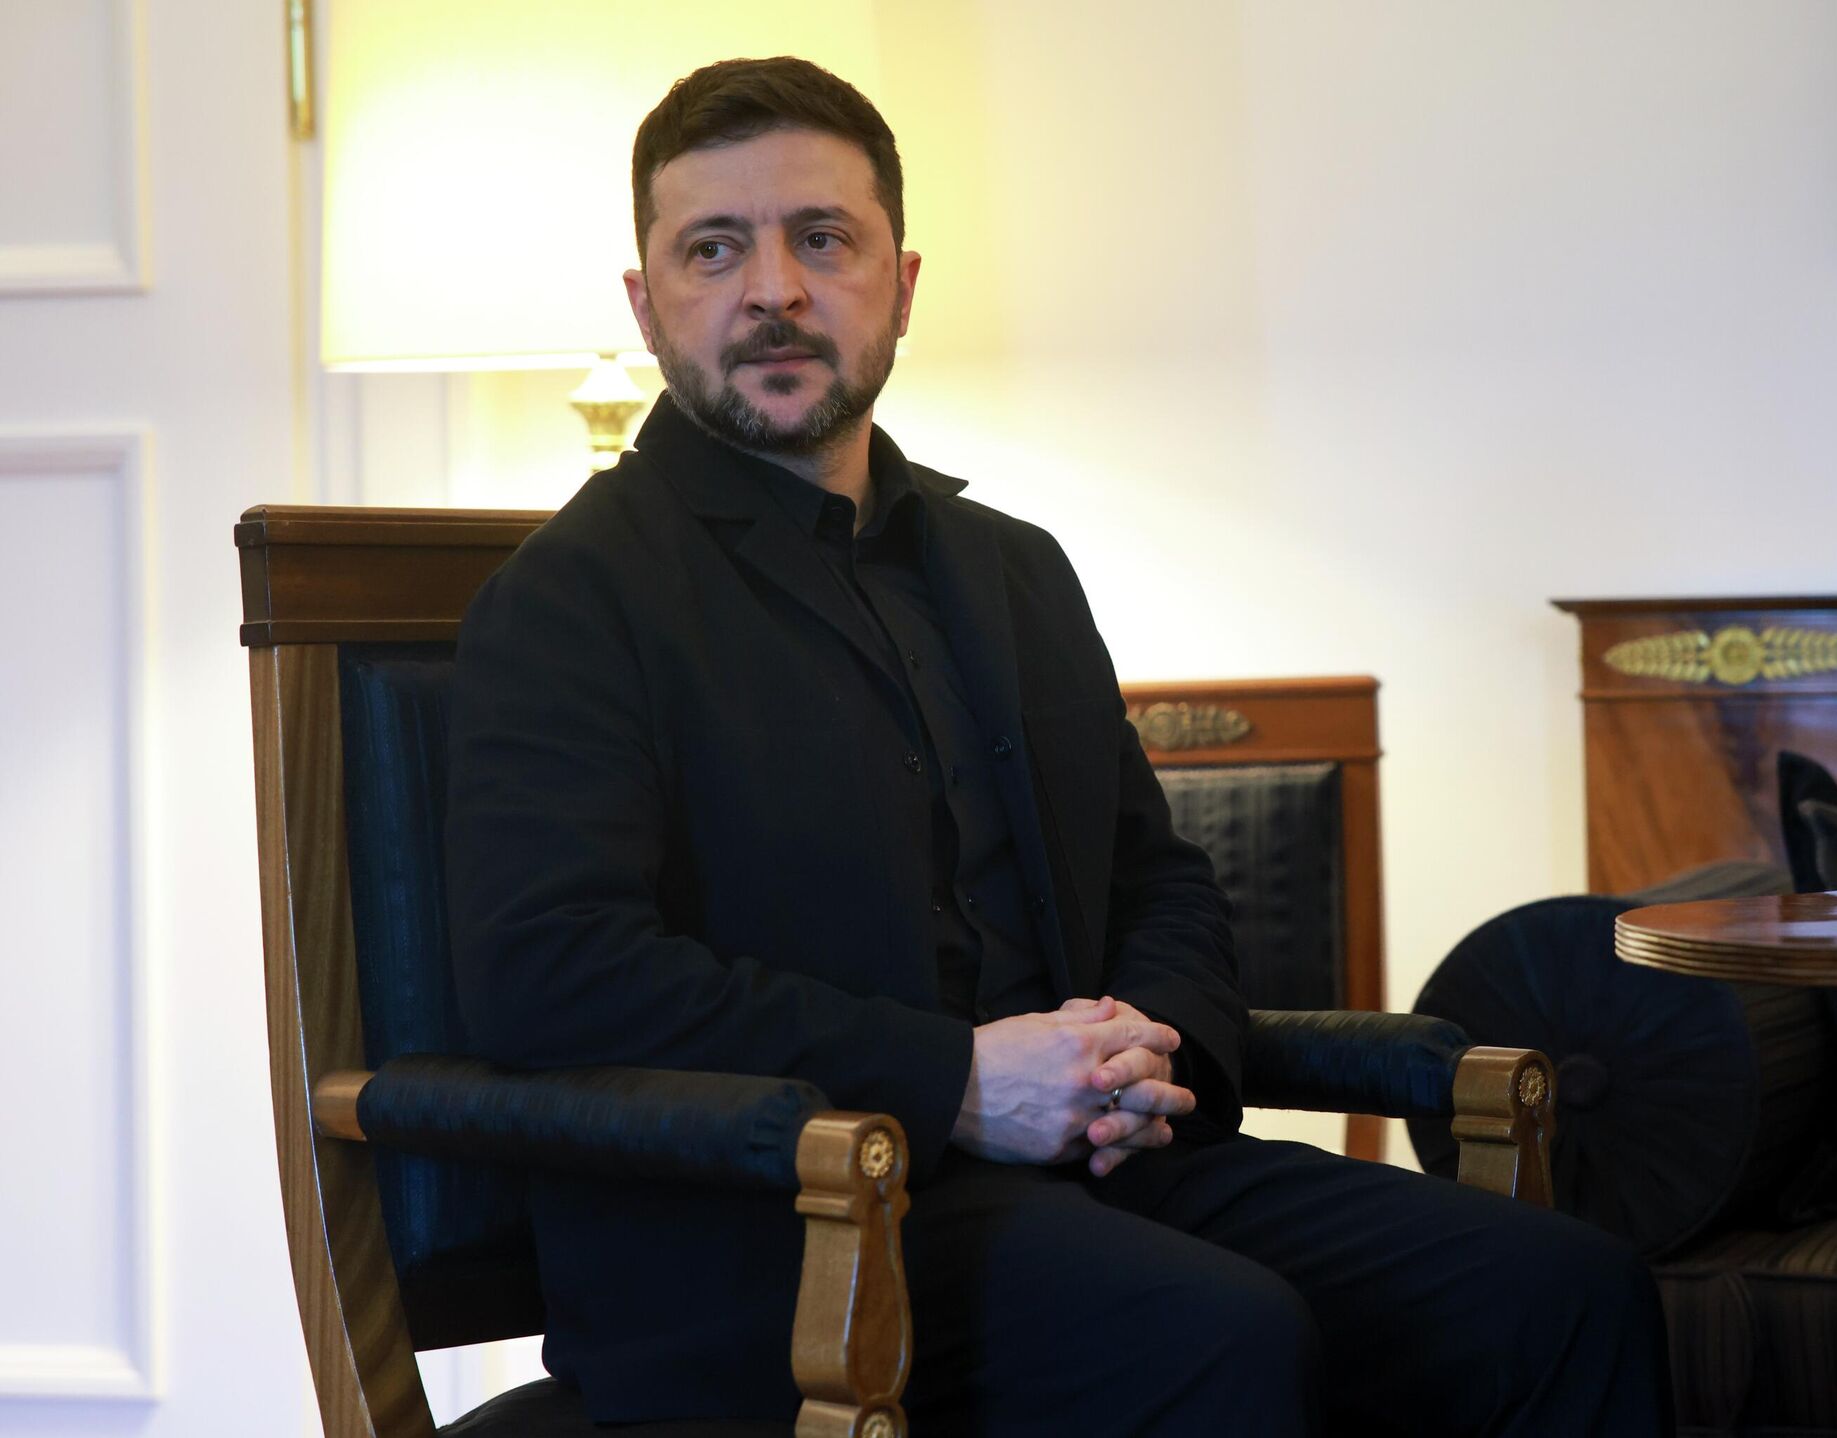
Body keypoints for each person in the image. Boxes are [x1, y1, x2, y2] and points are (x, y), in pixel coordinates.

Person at [446, 55, 1674, 1436]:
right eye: (714, 248)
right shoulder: (572, 596)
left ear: (902, 283)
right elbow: (551, 971)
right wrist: (957, 1081)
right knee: (1218, 1332)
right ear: (646, 301)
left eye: (822, 239)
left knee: (1567, 1292)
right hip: (778, 1229)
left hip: (1097, 1174)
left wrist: (1148, 1048)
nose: (774, 289)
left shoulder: (1010, 568)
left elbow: (1157, 879)